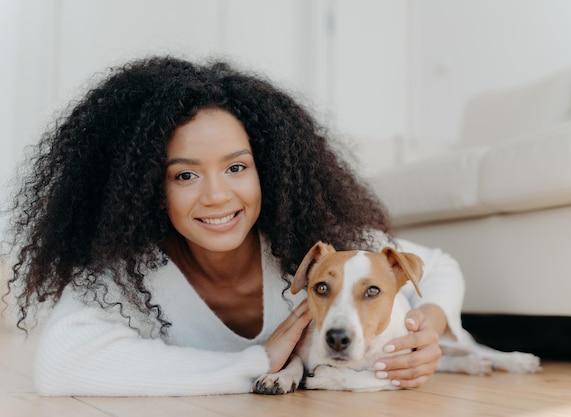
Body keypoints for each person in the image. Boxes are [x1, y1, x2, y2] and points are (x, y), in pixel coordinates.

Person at [4, 56, 465, 396]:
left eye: (237, 168)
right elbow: (61, 366)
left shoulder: (314, 251)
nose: (217, 196)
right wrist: (256, 361)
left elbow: (439, 266)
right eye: (184, 175)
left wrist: (421, 327)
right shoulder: (128, 273)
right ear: (144, 187)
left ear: (269, 168)